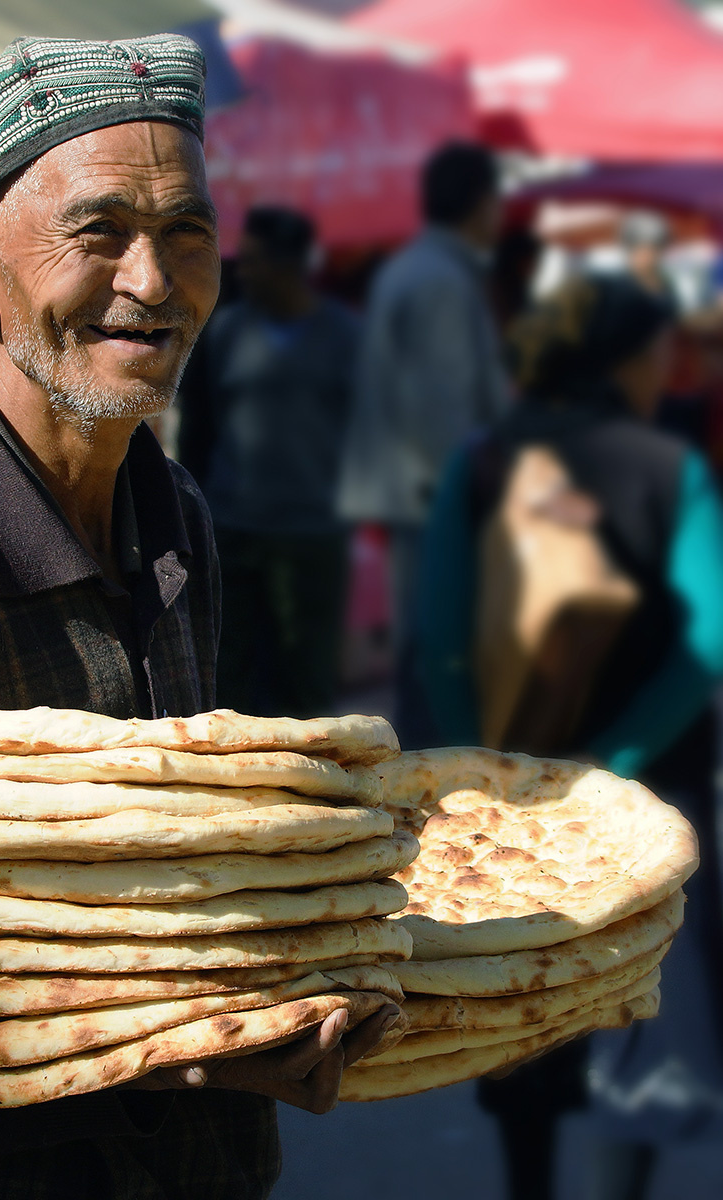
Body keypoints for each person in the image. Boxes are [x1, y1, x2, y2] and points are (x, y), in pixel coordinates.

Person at [0, 35, 397, 1200]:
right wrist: (154, 1065)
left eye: (186, 231)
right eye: (99, 231)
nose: (154, 280)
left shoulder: (174, 510)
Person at [417, 273, 723, 1200]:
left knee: (522, 1001)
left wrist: (485, 768)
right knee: (641, 1005)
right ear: (625, 363)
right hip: (649, 794)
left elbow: (438, 636)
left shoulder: (482, 460)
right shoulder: (672, 469)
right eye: (658, 357)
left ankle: (530, 1183)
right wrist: (618, 760)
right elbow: (711, 636)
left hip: (508, 801)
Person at [338, 140, 510, 740]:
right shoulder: (442, 279)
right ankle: (433, 774)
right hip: (435, 494)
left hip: (414, 490)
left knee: (424, 640)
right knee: (438, 646)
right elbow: (444, 411)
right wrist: (474, 495)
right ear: (480, 203)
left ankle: (422, 761)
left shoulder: (419, 268)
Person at [178, 206, 359, 717]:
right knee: (229, 672)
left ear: (289, 265)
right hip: (235, 530)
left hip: (312, 534)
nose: (244, 272)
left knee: (305, 675)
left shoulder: (345, 336)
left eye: (255, 261)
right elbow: (199, 428)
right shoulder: (225, 332)